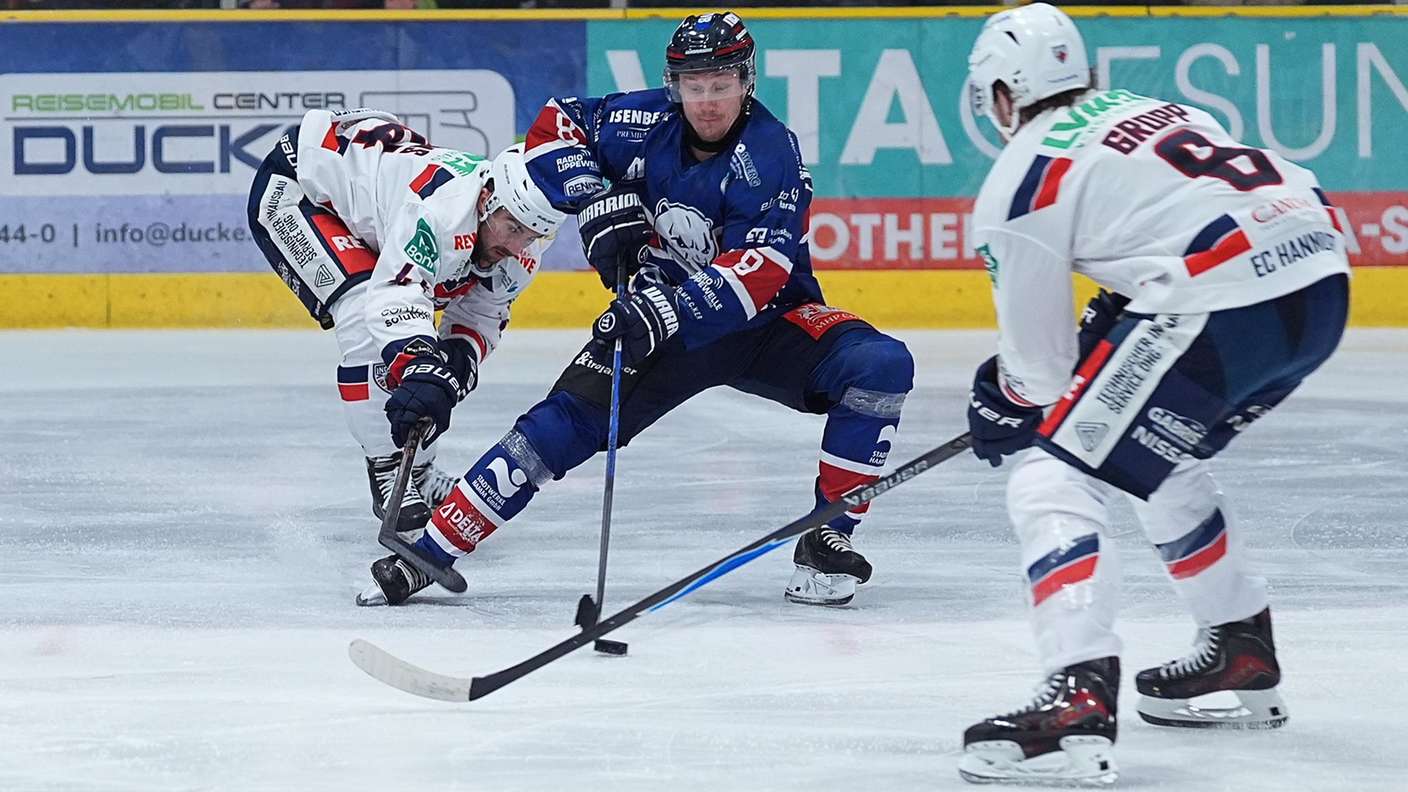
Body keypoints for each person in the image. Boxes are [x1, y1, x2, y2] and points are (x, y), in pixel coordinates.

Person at [356, 10, 914, 608]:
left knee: (879, 364)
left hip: (765, 324)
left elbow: (762, 271)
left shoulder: (771, 153)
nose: (708, 101)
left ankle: (828, 531)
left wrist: (667, 309)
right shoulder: (642, 119)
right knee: (556, 427)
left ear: (746, 81)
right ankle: (428, 551)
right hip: (653, 325)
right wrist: (597, 199)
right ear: (674, 86)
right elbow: (556, 124)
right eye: (694, 86)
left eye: (722, 84)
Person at [957, 3, 1350, 785]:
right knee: (1155, 459)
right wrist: (1126, 306)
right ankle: (1239, 647)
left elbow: (1038, 373)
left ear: (1001, 94)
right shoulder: (1153, 108)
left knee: (1053, 472)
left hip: (1221, 299)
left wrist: (1000, 398)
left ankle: (1076, 697)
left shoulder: (1018, 181)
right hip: (1321, 280)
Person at [247, 108, 564, 548]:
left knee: (436, 368)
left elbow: (481, 315)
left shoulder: (521, 247)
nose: (515, 247)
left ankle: (420, 469)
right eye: (511, 228)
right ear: (486, 199)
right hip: (300, 192)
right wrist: (420, 364)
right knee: (363, 316)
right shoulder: (440, 214)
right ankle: (385, 466)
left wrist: (460, 358)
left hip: (370, 204)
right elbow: (394, 300)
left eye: (529, 235)